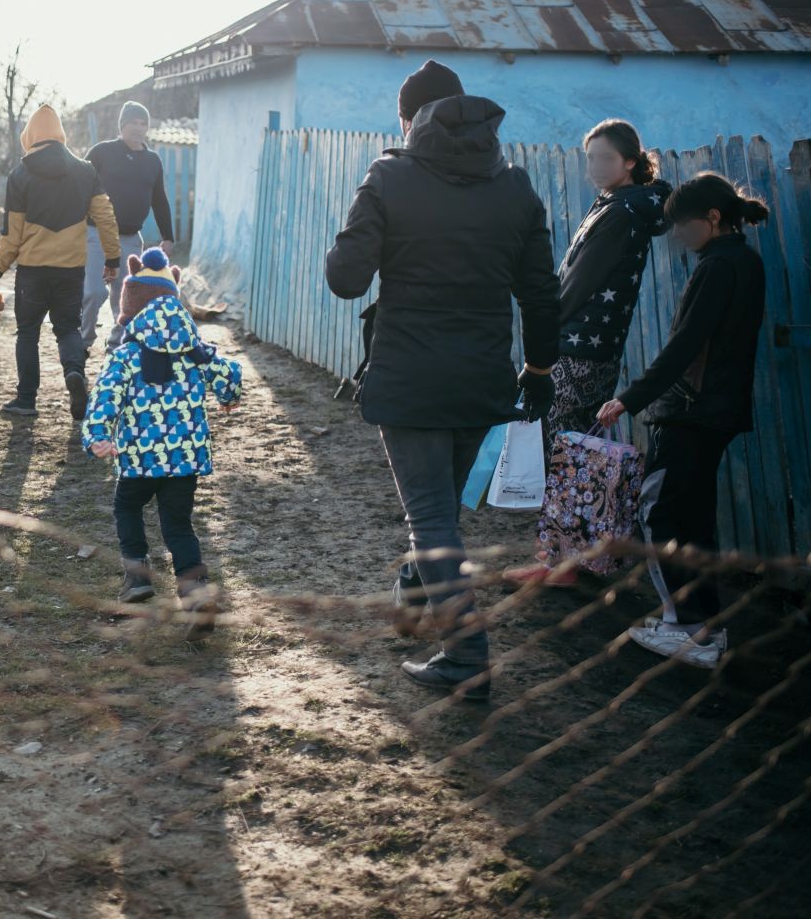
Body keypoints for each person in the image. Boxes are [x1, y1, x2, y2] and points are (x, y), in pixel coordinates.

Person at [325, 59, 560, 702]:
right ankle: (414, 584)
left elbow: (345, 278)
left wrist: (352, 227)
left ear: (409, 119)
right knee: (439, 509)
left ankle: (466, 655)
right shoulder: (514, 188)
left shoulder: (389, 177)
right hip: (482, 379)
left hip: (409, 377)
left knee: (431, 515)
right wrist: (538, 372)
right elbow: (542, 295)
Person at [597, 173, 768, 670]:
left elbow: (685, 346)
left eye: (684, 226)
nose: (679, 237)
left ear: (713, 219)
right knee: (692, 519)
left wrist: (630, 398)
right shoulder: (743, 262)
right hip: (714, 411)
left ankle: (689, 631)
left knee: (661, 512)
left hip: (691, 410)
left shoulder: (718, 267)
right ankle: (698, 627)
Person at [503, 119, 671, 587]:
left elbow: (579, 283)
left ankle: (560, 565)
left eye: (605, 159)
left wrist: (544, 332)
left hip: (577, 347)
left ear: (631, 162)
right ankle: (568, 560)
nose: (595, 167)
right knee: (572, 451)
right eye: (591, 157)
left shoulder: (621, 211)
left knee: (562, 452)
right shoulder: (623, 203)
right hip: (589, 347)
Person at [83, 247, 242, 639]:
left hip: (138, 457)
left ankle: (137, 576)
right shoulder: (194, 349)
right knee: (178, 525)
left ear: (131, 307)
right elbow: (228, 373)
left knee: (127, 505)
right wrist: (227, 395)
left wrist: (98, 437)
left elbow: (105, 396)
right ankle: (196, 594)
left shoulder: (127, 353)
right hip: (184, 459)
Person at [0, 105, 121, 421]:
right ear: (60, 134)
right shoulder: (86, 171)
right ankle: (75, 373)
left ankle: (26, 399)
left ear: (29, 137)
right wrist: (112, 258)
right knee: (68, 327)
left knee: (28, 331)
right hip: (71, 269)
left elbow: (11, 235)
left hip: (32, 271)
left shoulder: (19, 175)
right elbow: (106, 217)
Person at [82, 101, 176, 350]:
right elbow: (78, 186)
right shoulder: (102, 152)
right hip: (95, 234)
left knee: (125, 298)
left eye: (143, 122)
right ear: (122, 125)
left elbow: (160, 200)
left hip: (131, 239)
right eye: (133, 122)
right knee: (93, 292)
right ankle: (83, 342)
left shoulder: (153, 161)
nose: (138, 127)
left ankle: (116, 345)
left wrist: (168, 237)